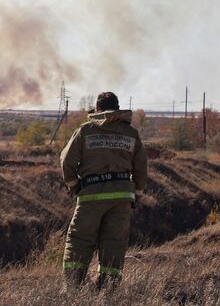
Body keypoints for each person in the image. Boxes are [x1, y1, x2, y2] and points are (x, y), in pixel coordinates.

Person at [60, 91, 148, 290]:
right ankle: (108, 291)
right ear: (117, 109)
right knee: (114, 244)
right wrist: (136, 194)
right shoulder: (131, 133)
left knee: (80, 240)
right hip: (122, 198)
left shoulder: (85, 130)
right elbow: (141, 167)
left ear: (97, 109)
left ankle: (73, 288)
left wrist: (75, 186)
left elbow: (67, 161)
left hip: (91, 194)